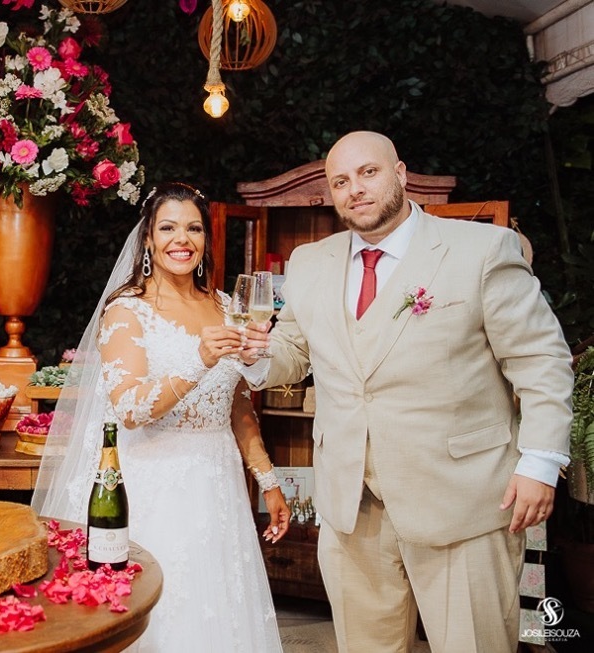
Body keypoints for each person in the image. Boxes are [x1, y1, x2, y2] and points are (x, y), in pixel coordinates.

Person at [242, 131, 573, 652]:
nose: (355, 189)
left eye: (368, 173)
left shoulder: (481, 250)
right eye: (340, 181)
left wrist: (540, 461)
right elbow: (294, 352)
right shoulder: (310, 262)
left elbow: (540, 359)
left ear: (400, 174)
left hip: (461, 499)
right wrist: (257, 355)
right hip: (352, 508)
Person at [32, 182, 289, 652]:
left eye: (193, 228)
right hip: (152, 485)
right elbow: (130, 409)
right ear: (148, 239)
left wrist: (269, 481)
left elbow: (237, 406)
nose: (182, 239)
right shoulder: (127, 312)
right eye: (168, 227)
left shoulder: (227, 308)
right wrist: (199, 359)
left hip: (217, 486)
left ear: (206, 240)